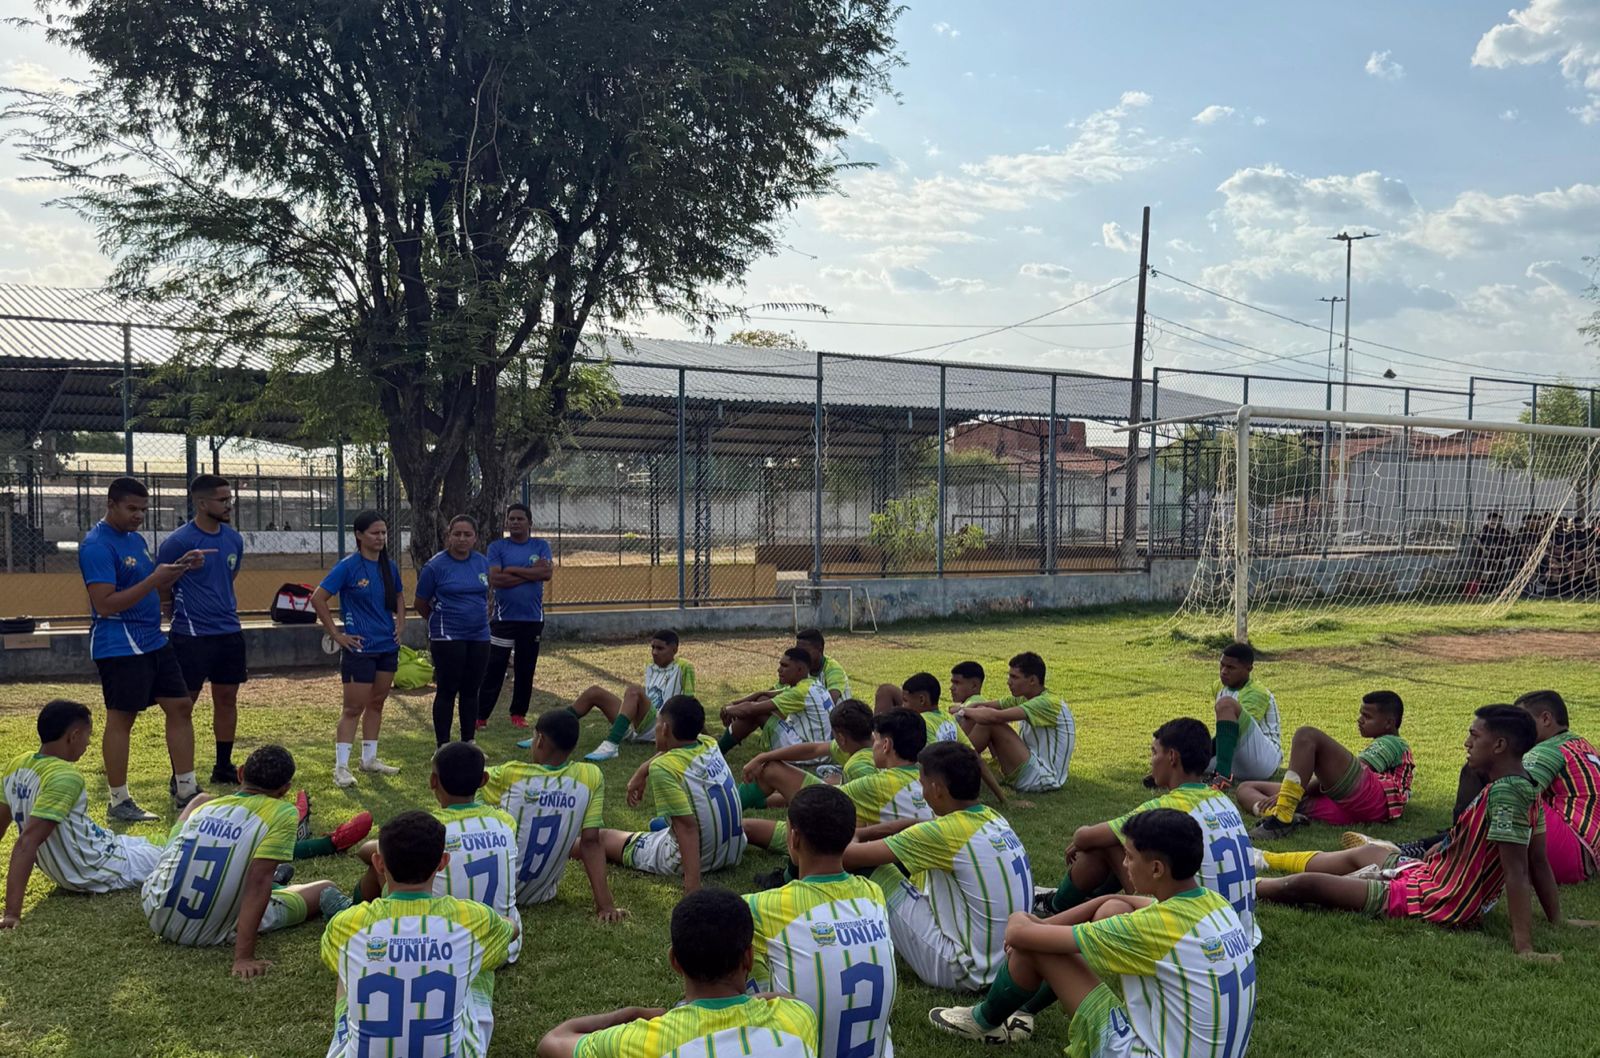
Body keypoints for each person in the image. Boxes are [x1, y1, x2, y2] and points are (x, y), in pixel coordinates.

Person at [1258, 706, 1582, 960]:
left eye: (1474, 736)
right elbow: (1538, 862)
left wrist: (1524, 947)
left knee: (1308, 885)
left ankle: (1250, 886)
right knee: (1367, 853)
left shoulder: (1508, 794)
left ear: (1499, 745)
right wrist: (1558, 920)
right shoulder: (1524, 786)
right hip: (1430, 875)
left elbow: (1520, 871)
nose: (1466, 743)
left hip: (1435, 899)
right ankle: (1264, 858)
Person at [931, 809, 1256, 1057]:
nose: (1124, 865)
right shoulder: (1214, 904)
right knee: (1108, 908)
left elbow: (1019, 935)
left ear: (1157, 868)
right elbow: (1123, 900)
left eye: (1129, 857)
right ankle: (1015, 1012)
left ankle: (982, 1021)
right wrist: (1086, 906)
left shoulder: (1151, 930)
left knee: (1038, 947)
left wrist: (1023, 920)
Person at [1032, 718, 1259, 947]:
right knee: (1127, 845)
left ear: (1171, 757)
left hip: (1193, 928)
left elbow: (1084, 837)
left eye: (1154, 752)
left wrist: (1084, 840)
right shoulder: (1223, 801)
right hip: (1238, 929)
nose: (1151, 761)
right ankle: (1075, 901)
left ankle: (1055, 906)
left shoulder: (1168, 807)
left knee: (1112, 843)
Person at [323, 810, 517, 1057]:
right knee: (481, 956)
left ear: (379, 863)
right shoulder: (473, 920)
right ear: (443, 862)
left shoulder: (346, 925)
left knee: (347, 962)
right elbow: (510, 931)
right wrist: (507, 922)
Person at [536, 888, 819, 1058]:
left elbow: (553, 1042)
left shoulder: (641, 1042)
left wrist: (629, 1014)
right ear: (748, 958)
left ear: (674, 961)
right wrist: (758, 999)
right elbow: (791, 998)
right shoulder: (798, 1019)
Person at [140, 745, 344, 977]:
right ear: (285, 789)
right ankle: (281, 883)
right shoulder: (284, 813)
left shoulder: (207, 806)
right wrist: (243, 957)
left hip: (155, 911)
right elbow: (258, 883)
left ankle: (278, 881)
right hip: (205, 932)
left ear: (240, 773)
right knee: (325, 888)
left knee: (199, 800)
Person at [842, 742, 1032, 992]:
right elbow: (916, 828)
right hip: (1008, 963)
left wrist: (856, 835)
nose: (922, 793)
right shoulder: (992, 817)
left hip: (965, 971)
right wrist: (880, 830)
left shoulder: (943, 833)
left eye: (922, 784)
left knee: (871, 868)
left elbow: (847, 856)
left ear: (937, 789)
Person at [79, 476, 208, 820]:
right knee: (123, 718)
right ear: (111, 504)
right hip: (120, 643)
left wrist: (179, 568)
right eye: (131, 508)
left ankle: (186, 788)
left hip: (152, 638)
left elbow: (145, 586)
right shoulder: (97, 545)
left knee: (180, 705)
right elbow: (105, 604)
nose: (138, 515)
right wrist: (154, 579)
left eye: (143, 510)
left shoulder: (134, 540)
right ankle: (119, 801)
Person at [746, 785, 897, 1058]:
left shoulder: (763, 907)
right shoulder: (873, 894)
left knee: (733, 958)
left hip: (805, 1047)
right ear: (849, 836)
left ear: (793, 838)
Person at [1, 700, 165, 927]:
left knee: (149, 842)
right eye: (89, 735)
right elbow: (26, 842)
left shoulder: (16, 765)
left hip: (94, 855)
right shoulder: (65, 777)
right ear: (74, 735)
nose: (89, 743)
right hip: (97, 868)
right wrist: (11, 914)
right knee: (175, 856)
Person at [353, 741, 522, 959]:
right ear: (484, 781)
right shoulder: (505, 822)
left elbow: (367, 850)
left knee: (384, 867)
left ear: (433, 781)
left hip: (446, 950)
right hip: (504, 943)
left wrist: (375, 854)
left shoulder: (431, 828)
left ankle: (354, 915)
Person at [741, 709, 932, 885]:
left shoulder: (875, 783)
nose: (872, 745)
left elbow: (817, 803)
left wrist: (764, 759)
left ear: (886, 745)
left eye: (876, 740)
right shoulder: (927, 779)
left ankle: (787, 878)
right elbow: (813, 750)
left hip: (885, 870)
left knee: (781, 799)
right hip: (904, 863)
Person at [484, 709, 626, 921]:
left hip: (495, 895)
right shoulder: (590, 777)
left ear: (539, 740)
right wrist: (605, 905)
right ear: (574, 746)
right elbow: (590, 842)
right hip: (540, 895)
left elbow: (464, 775)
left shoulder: (511, 774)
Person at [601, 695, 746, 891]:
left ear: (665, 729)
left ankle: (558, 849)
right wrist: (642, 771)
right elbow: (672, 750)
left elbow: (687, 829)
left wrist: (692, 888)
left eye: (658, 723)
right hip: (732, 851)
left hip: (694, 859)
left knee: (602, 838)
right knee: (661, 823)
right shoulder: (709, 743)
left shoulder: (664, 768)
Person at [158, 473, 248, 786]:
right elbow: (161, 582)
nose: (228, 505)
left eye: (229, 499)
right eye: (222, 500)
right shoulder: (178, 542)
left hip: (229, 633)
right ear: (201, 502)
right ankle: (180, 775)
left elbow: (228, 577)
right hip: (191, 637)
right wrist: (170, 605)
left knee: (227, 699)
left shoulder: (234, 539)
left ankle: (223, 766)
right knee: (183, 705)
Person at [1237, 689, 1413, 841]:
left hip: (1373, 801)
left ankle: (1281, 817)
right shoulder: (1385, 746)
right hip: (1346, 810)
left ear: (1389, 723)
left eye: (1367, 716)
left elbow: (1358, 771)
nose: (1359, 720)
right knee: (1246, 788)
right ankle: (1284, 814)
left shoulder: (1393, 743)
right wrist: (1289, 795)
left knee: (1306, 735)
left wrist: (1289, 794)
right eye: (1361, 714)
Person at [311, 510, 405, 788]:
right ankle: (341, 767)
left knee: (377, 703)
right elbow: (318, 598)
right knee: (353, 708)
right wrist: (337, 635)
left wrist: (400, 624)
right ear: (359, 535)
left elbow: (399, 595)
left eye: (384, 532)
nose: (381, 538)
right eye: (375, 533)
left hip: (387, 646)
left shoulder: (390, 566)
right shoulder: (348, 566)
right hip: (360, 648)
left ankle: (369, 759)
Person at [415, 515, 493, 745]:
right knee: (448, 690)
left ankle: (469, 742)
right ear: (448, 536)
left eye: (467, 534)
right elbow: (420, 603)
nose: (462, 539)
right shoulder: (435, 566)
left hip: (479, 635)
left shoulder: (481, 562)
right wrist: (441, 621)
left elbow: (485, 595)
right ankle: (444, 746)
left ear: (475, 538)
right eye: (456, 534)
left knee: (471, 690)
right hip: (447, 636)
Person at [478, 503, 553, 730]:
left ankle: (518, 714)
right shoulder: (497, 547)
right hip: (503, 620)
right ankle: (480, 716)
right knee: (495, 667)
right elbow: (495, 580)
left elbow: (546, 573)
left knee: (525, 668)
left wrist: (511, 570)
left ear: (530, 523)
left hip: (532, 620)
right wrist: (531, 575)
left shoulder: (541, 545)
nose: (515, 522)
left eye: (520, 519)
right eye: (511, 519)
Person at [876, 671, 1005, 801]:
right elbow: (976, 757)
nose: (903, 706)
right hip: (954, 786)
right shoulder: (948, 718)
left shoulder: (920, 723)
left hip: (935, 790)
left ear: (922, 699)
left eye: (905, 701)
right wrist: (1001, 797)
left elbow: (928, 763)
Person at [958, 652, 1075, 794]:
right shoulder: (1026, 697)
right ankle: (951, 764)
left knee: (990, 722)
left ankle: (952, 768)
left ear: (1032, 680)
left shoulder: (1048, 703)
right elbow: (982, 706)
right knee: (980, 715)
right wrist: (964, 710)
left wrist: (963, 711)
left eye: (1014, 677)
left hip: (1044, 778)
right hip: (1032, 768)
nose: (1008, 682)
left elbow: (993, 717)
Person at [573, 628, 695, 763]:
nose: (654, 652)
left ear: (674, 649)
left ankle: (611, 744)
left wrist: (702, 736)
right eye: (652, 647)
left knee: (634, 691)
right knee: (594, 692)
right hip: (639, 724)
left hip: (660, 726)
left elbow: (690, 704)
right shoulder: (650, 666)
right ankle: (553, 729)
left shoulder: (683, 667)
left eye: (660, 648)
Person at [739, 698, 878, 798]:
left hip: (836, 815)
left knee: (771, 770)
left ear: (841, 738)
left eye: (834, 735)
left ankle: (736, 802)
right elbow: (813, 750)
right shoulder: (866, 744)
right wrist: (763, 756)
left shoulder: (859, 766)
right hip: (841, 801)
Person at [717, 648, 833, 758]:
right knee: (761, 701)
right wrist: (732, 704)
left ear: (799, 669)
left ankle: (718, 751)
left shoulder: (800, 692)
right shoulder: (812, 683)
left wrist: (727, 710)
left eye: (785, 666)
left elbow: (750, 709)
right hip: (821, 749)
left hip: (809, 754)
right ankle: (720, 748)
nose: (779, 670)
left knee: (758, 712)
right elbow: (764, 694)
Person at [1209, 642, 1282, 786]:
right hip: (1235, 758)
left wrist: (1203, 750)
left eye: (1231, 667)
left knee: (1227, 704)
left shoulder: (1256, 692)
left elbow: (1237, 733)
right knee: (1182, 745)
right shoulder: (1219, 686)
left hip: (1263, 760)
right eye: (1222, 665)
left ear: (1248, 669)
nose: (1223, 671)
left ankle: (1223, 774)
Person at [797, 627, 850, 704]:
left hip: (838, 714)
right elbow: (782, 689)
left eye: (805, 652)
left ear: (820, 649)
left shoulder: (834, 670)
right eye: (798, 651)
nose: (800, 655)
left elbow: (830, 703)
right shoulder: (800, 667)